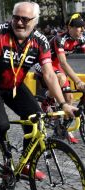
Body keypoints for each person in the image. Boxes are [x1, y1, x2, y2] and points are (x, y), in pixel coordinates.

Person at [0, 1, 77, 183]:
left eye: (25, 19)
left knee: (36, 119)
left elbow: (48, 73)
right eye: (16, 18)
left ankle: (26, 164)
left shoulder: (40, 41)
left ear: (35, 21)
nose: (19, 22)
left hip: (14, 86)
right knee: (1, 125)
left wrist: (63, 103)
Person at [36, 13, 85, 143]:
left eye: (83, 27)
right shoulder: (60, 39)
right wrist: (78, 81)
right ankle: (47, 100)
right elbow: (63, 63)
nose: (81, 30)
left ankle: (63, 129)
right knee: (62, 78)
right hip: (43, 63)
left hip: (56, 65)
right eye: (78, 27)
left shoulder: (81, 38)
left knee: (69, 98)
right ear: (69, 28)